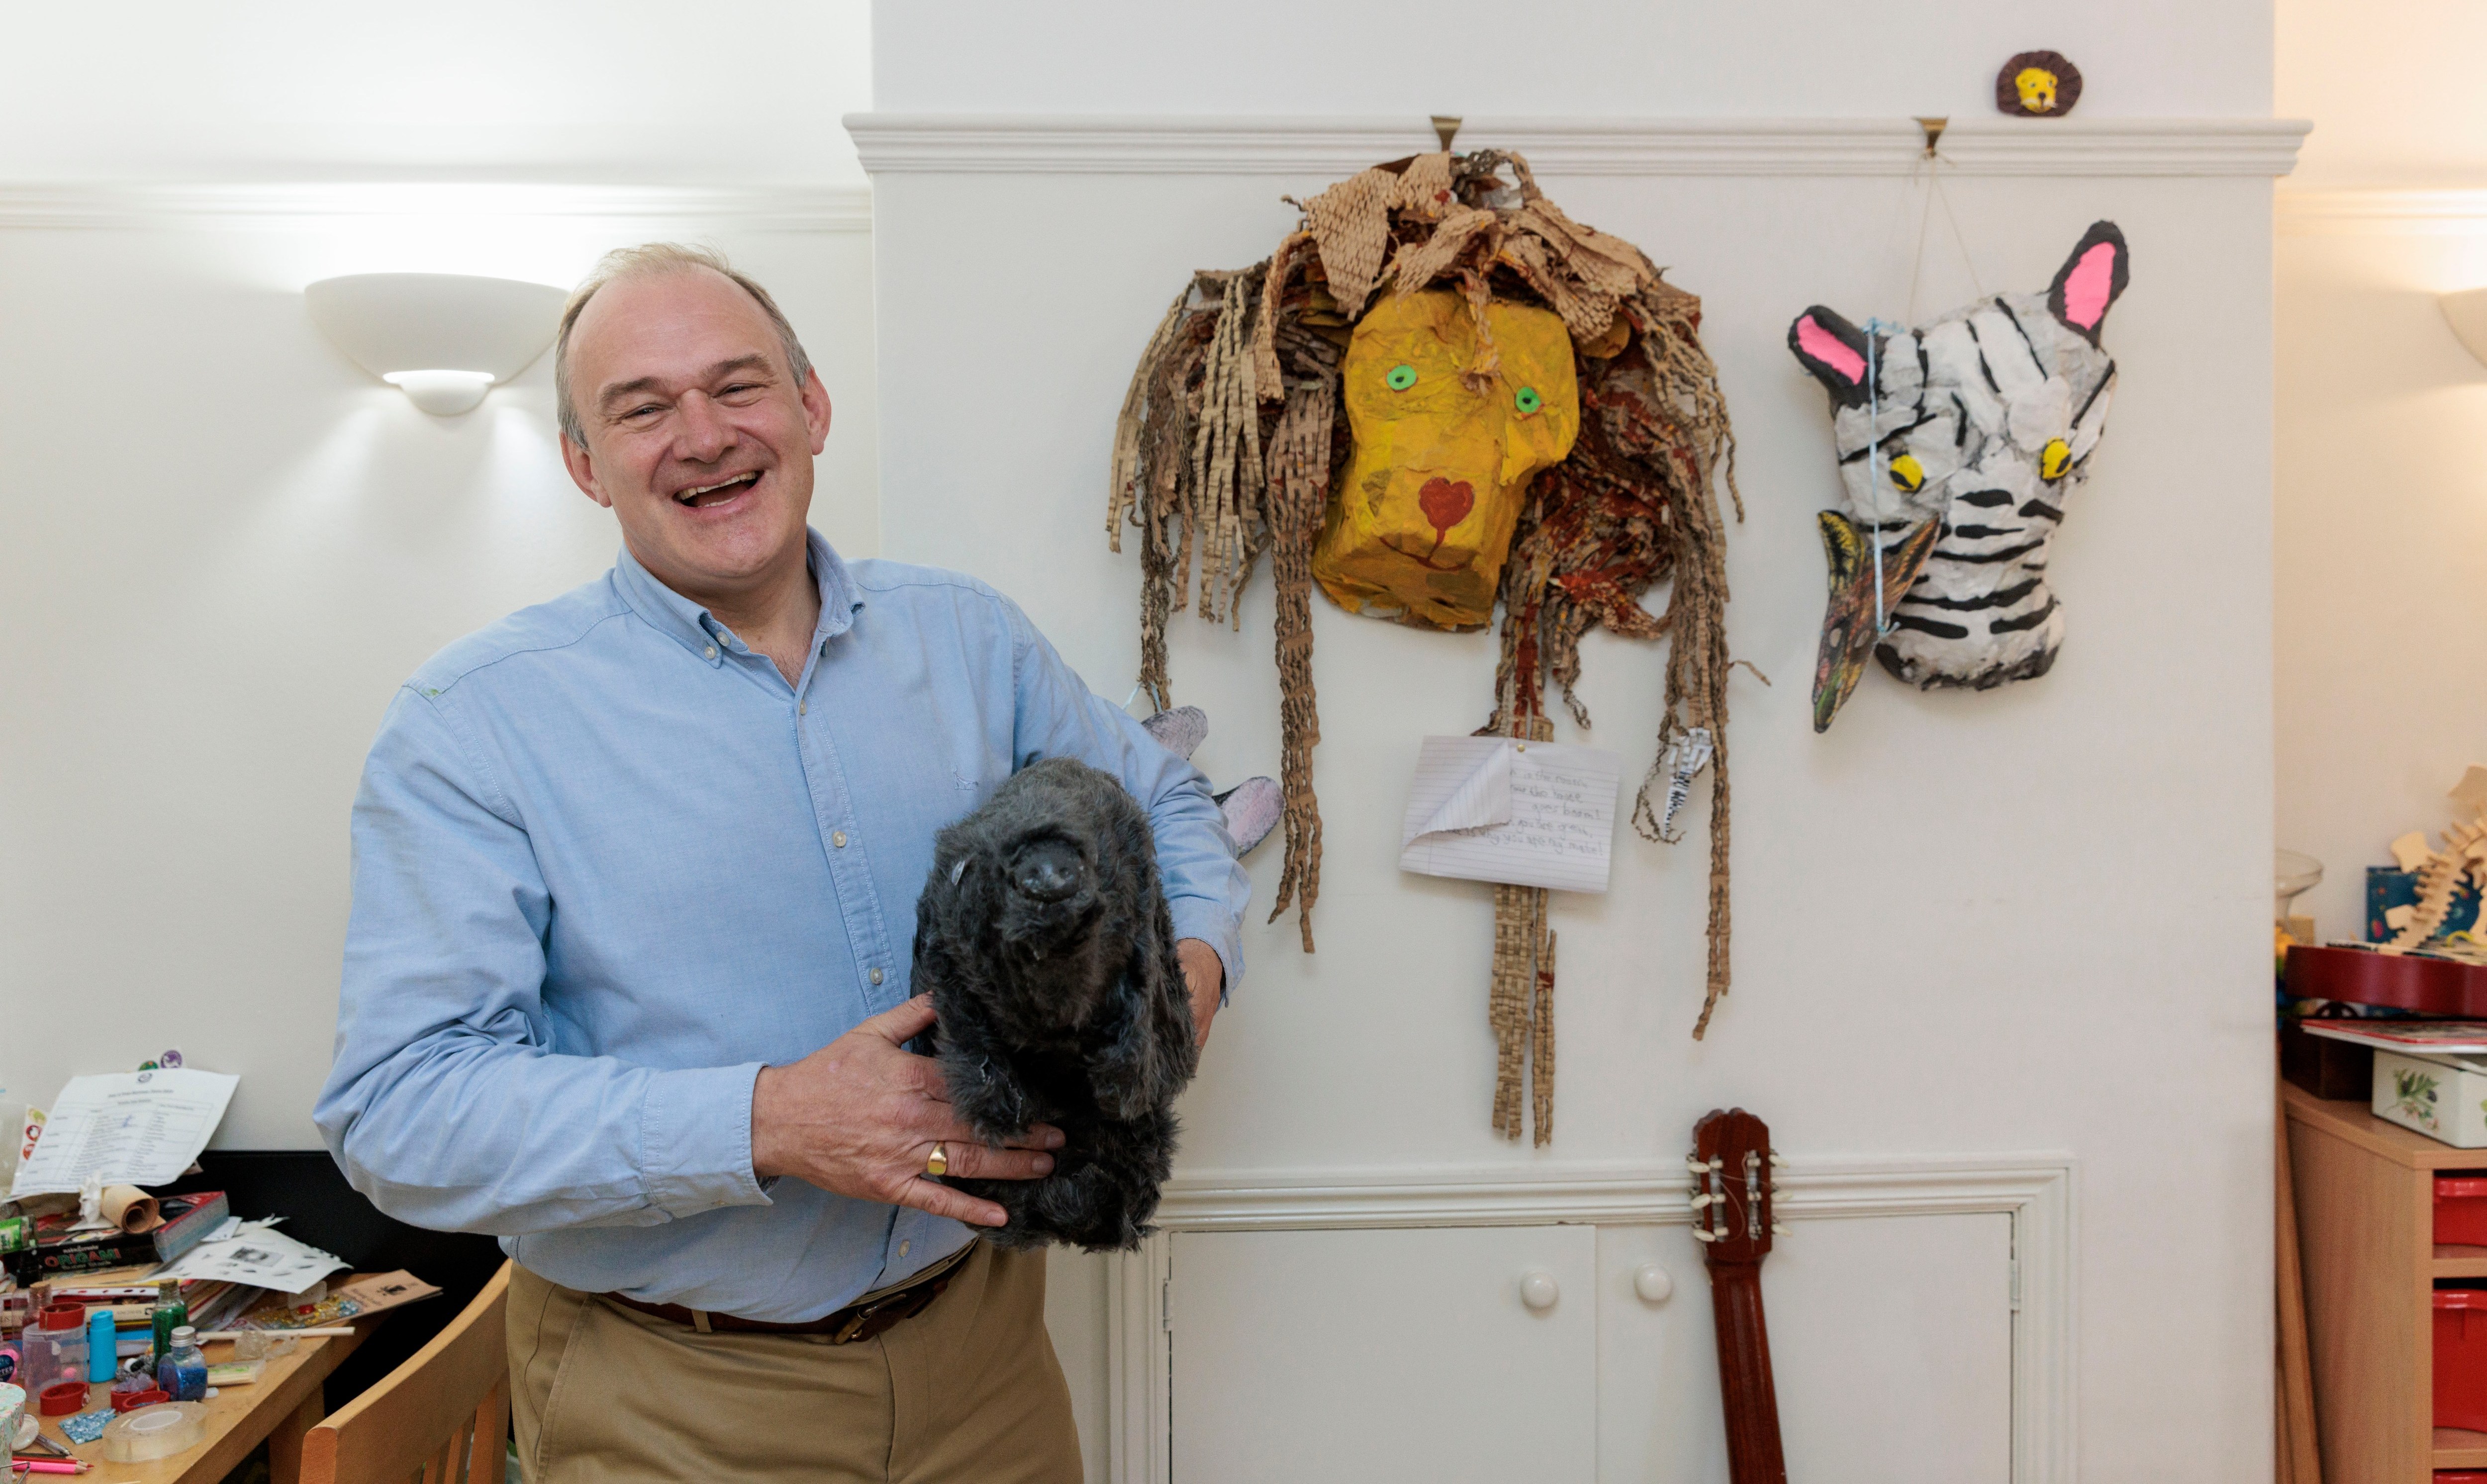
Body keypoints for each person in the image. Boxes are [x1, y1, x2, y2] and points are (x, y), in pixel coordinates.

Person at [314, 243, 1248, 1483]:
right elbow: (402, 1109)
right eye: (642, 407)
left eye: (737, 385)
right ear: (587, 468)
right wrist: (765, 1120)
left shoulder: (970, 637)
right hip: (669, 1391)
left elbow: (1169, 801)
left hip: (986, 1358)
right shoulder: (470, 723)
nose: (702, 434)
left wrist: (1188, 979)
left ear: (809, 409)